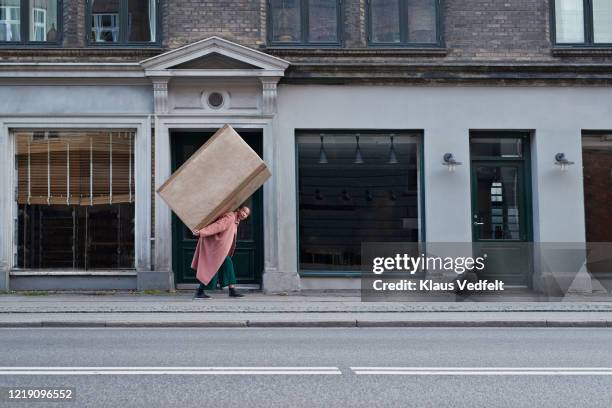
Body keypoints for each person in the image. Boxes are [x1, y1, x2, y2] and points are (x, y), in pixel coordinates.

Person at [191, 206, 251, 299]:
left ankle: (232, 290)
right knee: (211, 268)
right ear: (238, 209)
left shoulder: (236, 221)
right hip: (216, 247)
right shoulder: (230, 217)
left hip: (221, 249)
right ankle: (200, 292)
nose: (244, 214)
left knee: (226, 264)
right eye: (243, 211)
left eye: (247, 214)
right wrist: (201, 232)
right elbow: (217, 226)